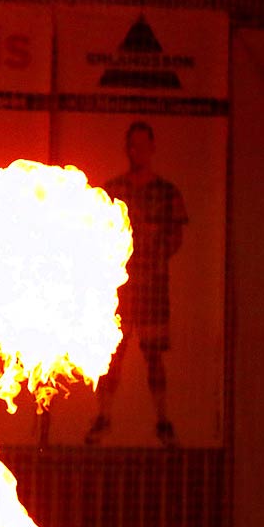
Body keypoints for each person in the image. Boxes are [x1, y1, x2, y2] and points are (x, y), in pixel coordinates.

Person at [87, 120, 188, 447]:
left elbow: (177, 237)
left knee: (154, 356)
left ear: (152, 147)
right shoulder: (112, 191)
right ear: (126, 148)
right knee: (112, 356)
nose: (137, 151)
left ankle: (162, 421)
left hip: (154, 285)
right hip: (120, 288)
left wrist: (154, 244)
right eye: (133, 145)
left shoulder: (167, 192)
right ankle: (103, 417)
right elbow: (96, 234)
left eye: (143, 145)